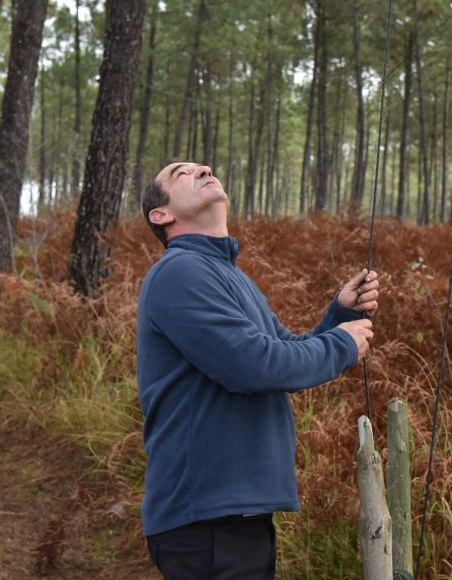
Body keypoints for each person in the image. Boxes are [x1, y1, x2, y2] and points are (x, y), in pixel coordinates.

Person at [137, 160, 379, 579]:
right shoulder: (179, 272)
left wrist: (339, 316)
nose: (205, 168)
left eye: (204, 167)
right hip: (205, 518)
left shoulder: (229, 276)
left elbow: (280, 352)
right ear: (162, 215)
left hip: (237, 515)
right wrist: (341, 344)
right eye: (182, 173)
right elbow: (253, 366)